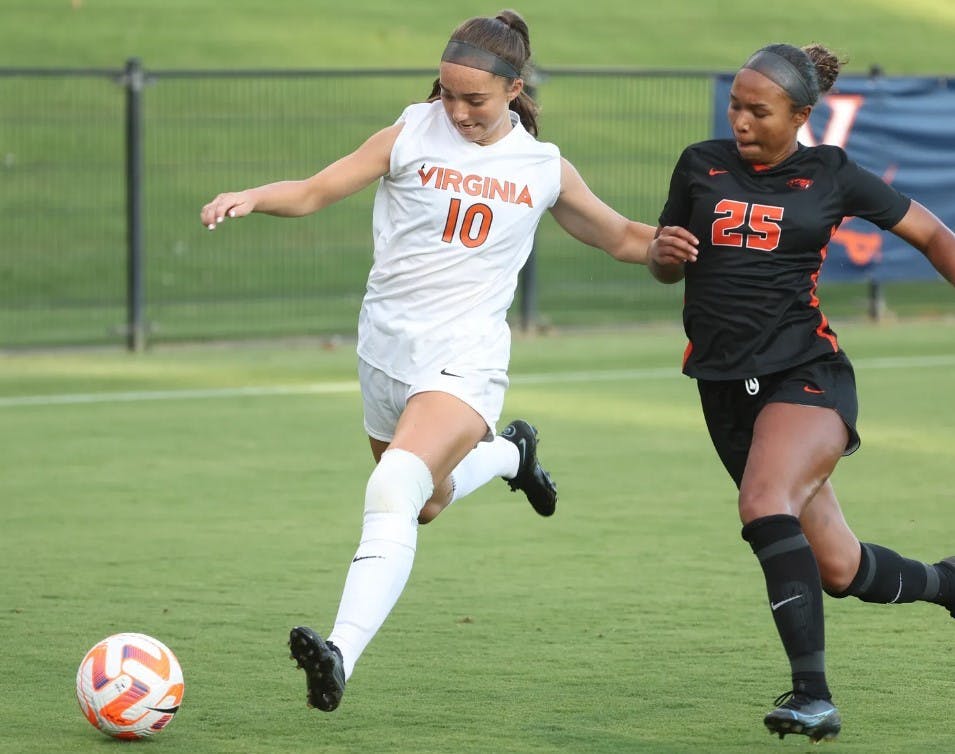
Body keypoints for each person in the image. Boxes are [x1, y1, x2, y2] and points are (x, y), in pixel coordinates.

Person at [201, 10, 689, 712]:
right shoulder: (410, 131)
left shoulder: (541, 167)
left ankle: (340, 652)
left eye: (474, 100)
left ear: (514, 88)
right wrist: (252, 195)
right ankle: (513, 457)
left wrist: (680, 248)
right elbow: (314, 190)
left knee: (393, 489)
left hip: (464, 358)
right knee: (425, 503)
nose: (456, 110)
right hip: (385, 349)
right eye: (448, 94)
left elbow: (621, 238)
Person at [648, 42, 955, 742]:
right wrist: (660, 255)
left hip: (804, 373)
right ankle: (948, 585)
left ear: (801, 116)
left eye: (759, 111)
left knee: (762, 503)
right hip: (723, 389)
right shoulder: (700, 163)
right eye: (735, 105)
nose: (741, 121)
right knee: (838, 568)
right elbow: (668, 262)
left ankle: (811, 694)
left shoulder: (831, 173)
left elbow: (932, 235)